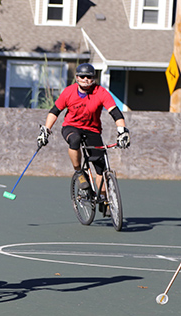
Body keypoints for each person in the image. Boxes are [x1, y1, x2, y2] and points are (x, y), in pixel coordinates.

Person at [36, 63, 130, 208]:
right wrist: (45, 131)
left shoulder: (101, 92)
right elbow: (54, 112)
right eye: (82, 76)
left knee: (102, 169)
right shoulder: (69, 92)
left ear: (94, 78)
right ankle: (79, 172)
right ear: (77, 77)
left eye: (89, 76)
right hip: (71, 127)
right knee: (75, 140)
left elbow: (115, 113)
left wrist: (122, 131)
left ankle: (103, 197)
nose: (86, 79)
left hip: (93, 130)